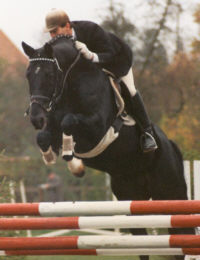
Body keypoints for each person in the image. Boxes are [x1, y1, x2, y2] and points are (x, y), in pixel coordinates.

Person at [44, 8, 158, 153]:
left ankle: (147, 133)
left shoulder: (90, 29)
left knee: (130, 89)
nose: (52, 36)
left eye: (55, 31)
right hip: (89, 71)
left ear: (67, 26)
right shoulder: (57, 45)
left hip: (116, 60)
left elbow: (110, 54)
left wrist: (91, 55)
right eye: (50, 33)